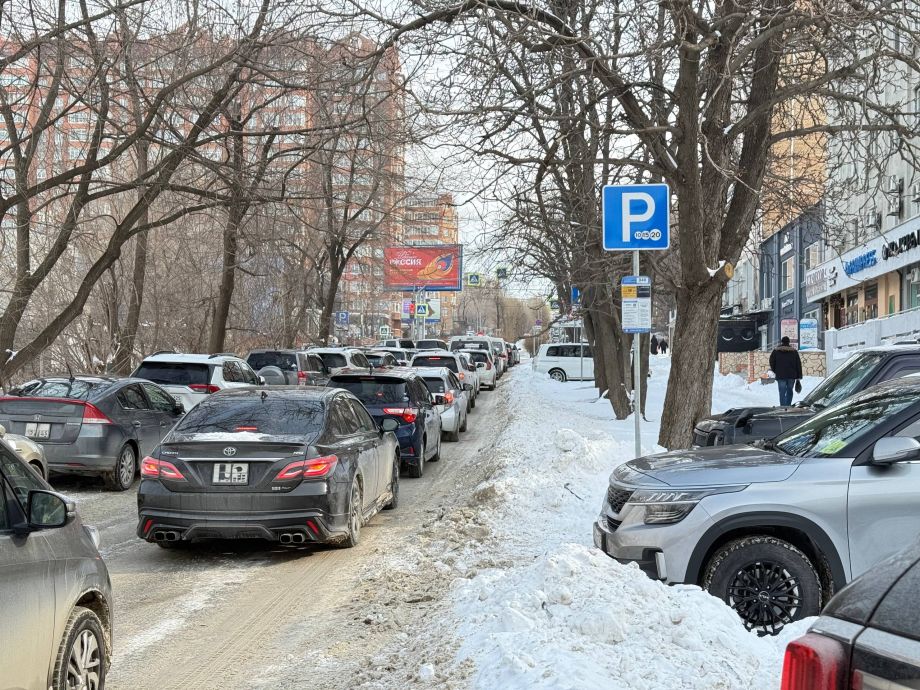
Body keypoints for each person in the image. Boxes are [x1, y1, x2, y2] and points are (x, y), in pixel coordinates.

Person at [769, 336, 802, 406]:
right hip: (791, 375)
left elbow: (771, 361)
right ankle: (788, 405)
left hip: (781, 375)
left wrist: (775, 370)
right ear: (788, 342)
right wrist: (799, 376)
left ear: (782, 342)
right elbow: (798, 364)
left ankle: (783, 407)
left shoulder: (776, 351)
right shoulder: (794, 351)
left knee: (782, 392)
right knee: (790, 391)